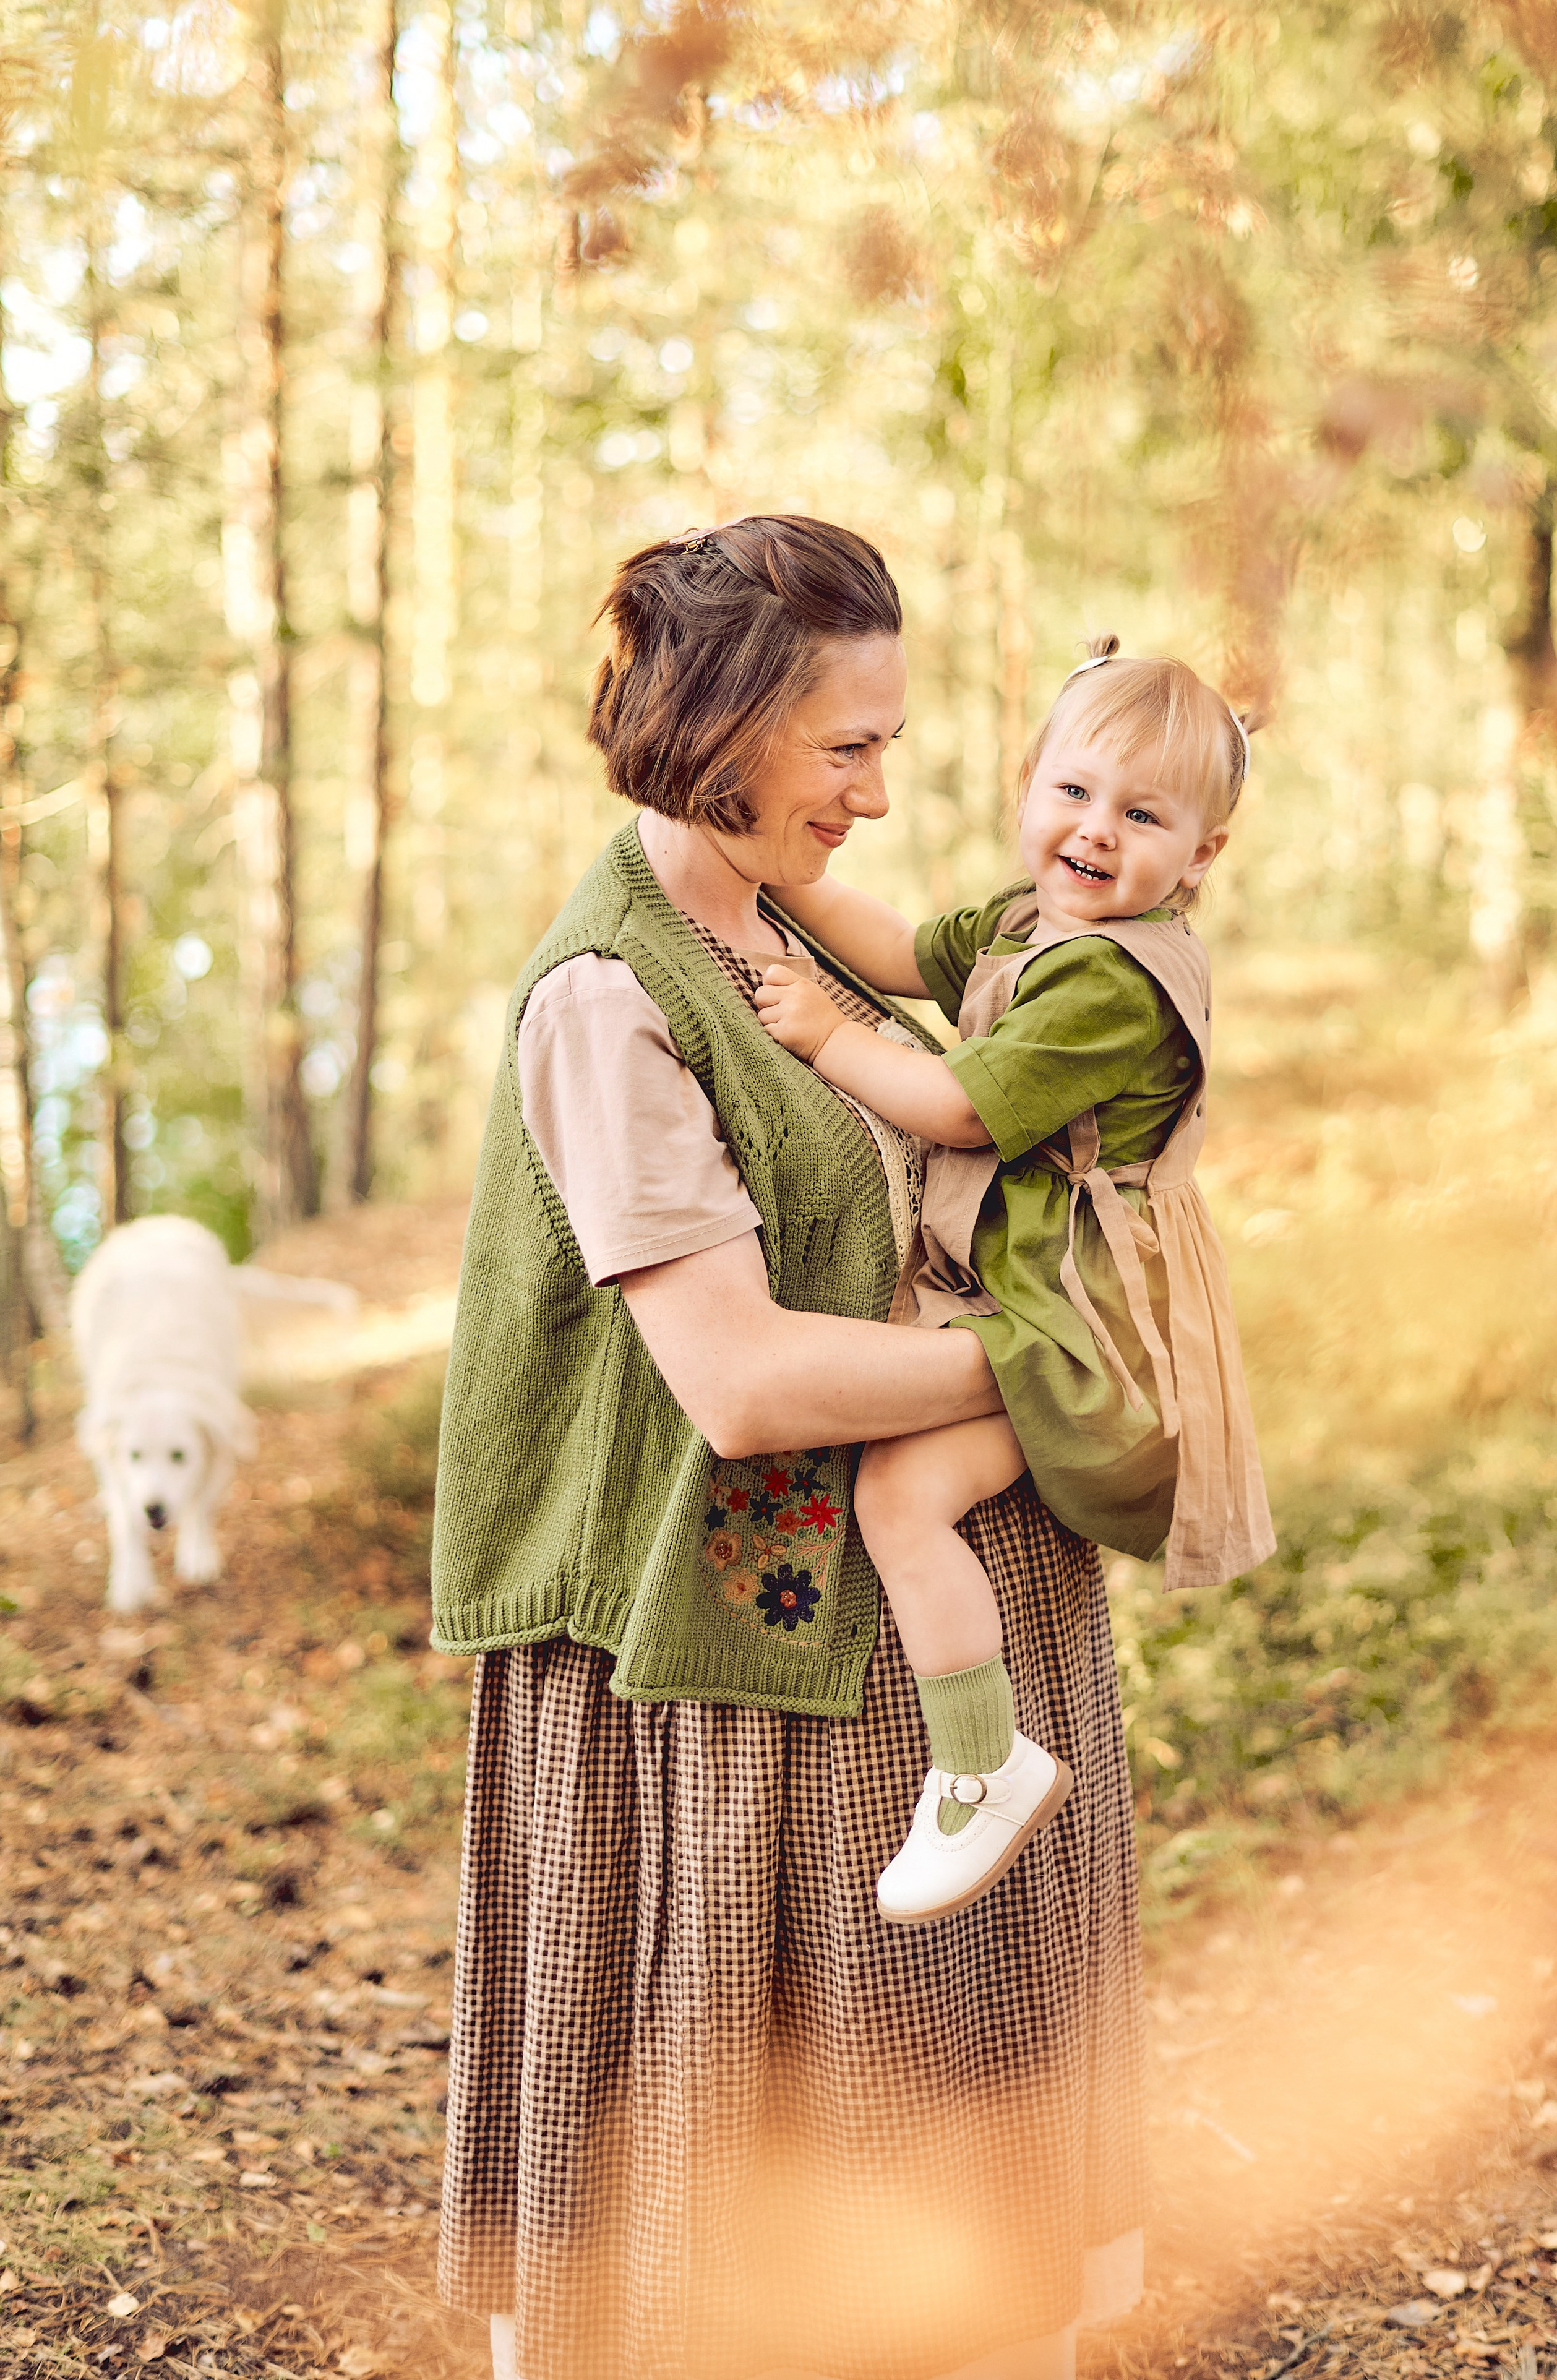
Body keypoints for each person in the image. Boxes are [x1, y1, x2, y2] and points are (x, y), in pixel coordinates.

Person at [431, 520, 1147, 2380]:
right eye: (849, 749)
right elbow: (739, 1385)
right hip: (740, 1674)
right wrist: (1040, 1370)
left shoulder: (775, 915)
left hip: (911, 1647)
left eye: (892, 746)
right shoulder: (614, 1000)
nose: (885, 795)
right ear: (730, 724)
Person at [753, 637, 1275, 1929]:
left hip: (1072, 1318)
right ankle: (980, 1757)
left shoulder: (1108, 977)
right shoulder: (1029, 924)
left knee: (898, 1495)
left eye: (1143, 816)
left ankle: (979, 1766)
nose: (1096, 833)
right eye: (1074, 792)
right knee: (893, 1483)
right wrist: (775, 875)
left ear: (1197, 857)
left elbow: (954, 1107)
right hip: (1025, 1298)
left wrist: (822, 1035)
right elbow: (892, 947)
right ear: (1026, 782)